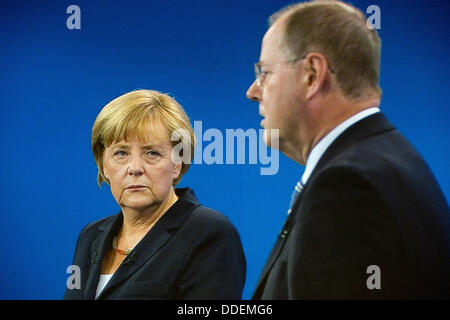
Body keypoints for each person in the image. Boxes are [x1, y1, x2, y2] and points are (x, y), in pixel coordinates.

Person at [246, 0, 450, 299]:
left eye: (264, 72)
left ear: (312, 74)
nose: (252, 91)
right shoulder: (393, 159)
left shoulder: (345, 188)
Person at [64, 89, 246, 299]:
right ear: (104, 165)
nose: (135, 168)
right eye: (121, 153)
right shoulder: (91, 235)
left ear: (177, 162)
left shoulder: (208, 232)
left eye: (152, 153)